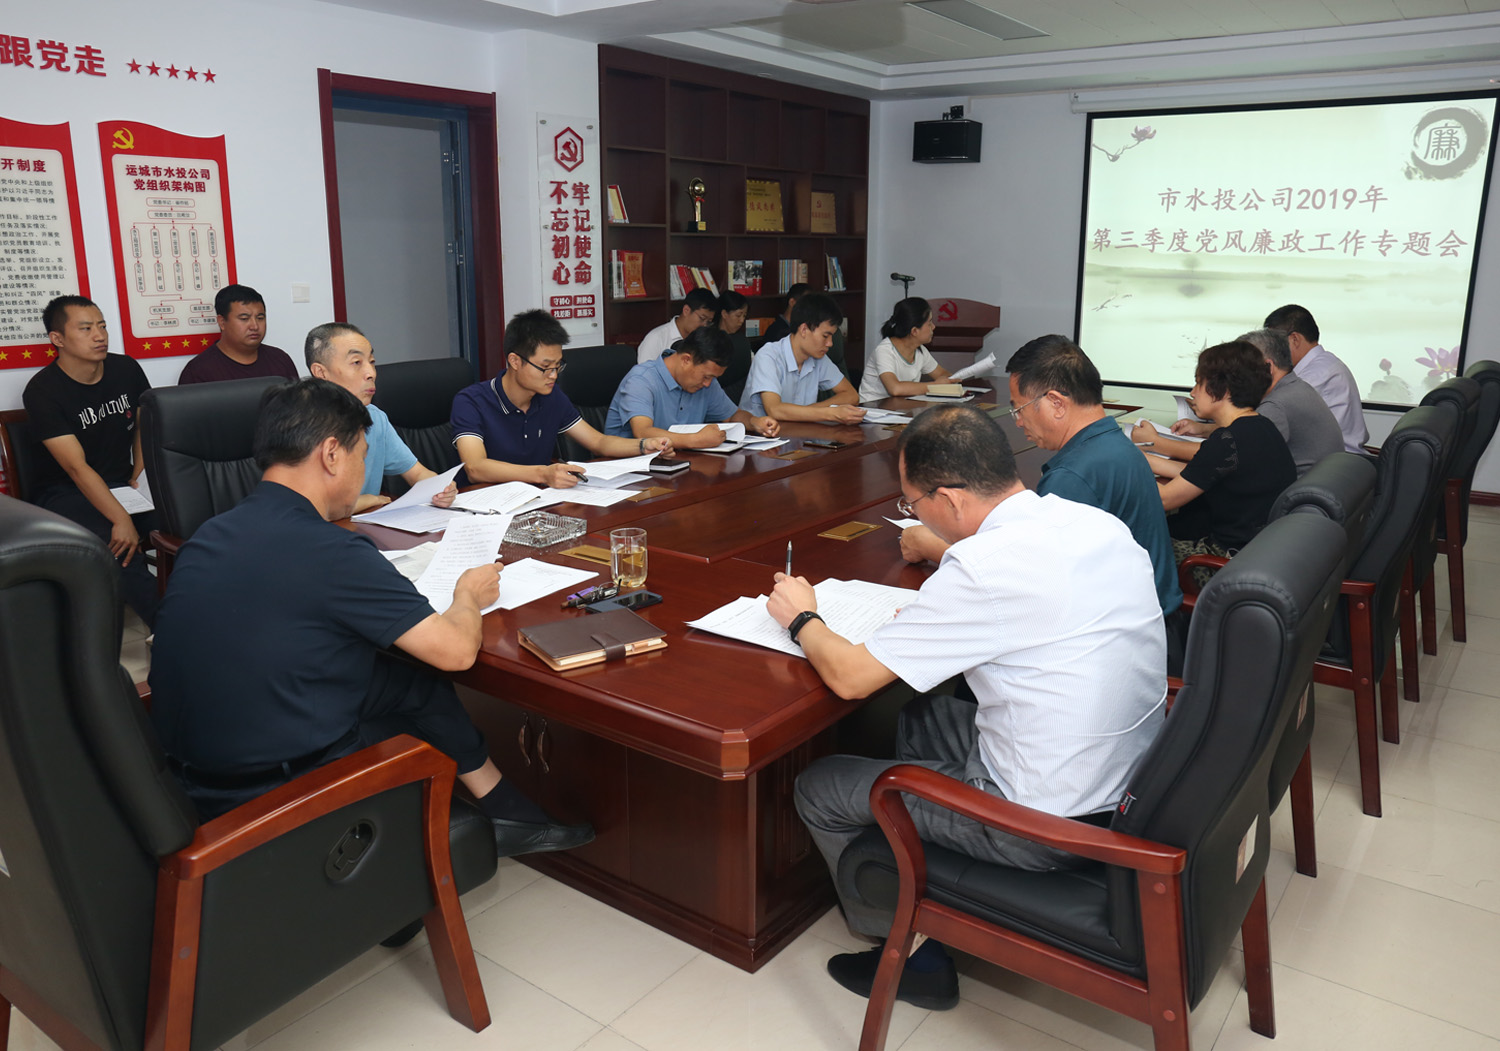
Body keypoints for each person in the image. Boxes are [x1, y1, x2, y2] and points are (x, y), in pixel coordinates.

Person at [771, 405, 1166, 1009]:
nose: (914, 514)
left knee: (820, 786)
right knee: (920, 715)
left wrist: (802, 617)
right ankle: (922, 871)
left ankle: (907, 958)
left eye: (912, 503)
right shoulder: (1093, 525)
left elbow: (850, 678)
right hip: (1130, 781)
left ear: (950, 500)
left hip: (1045, 824)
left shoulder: (984, 567)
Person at [147, 378, 594, 855]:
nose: (364, 475)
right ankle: (446, 829)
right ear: (331, 454)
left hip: (189, 779)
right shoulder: (332, 550)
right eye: (362, 457)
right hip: (277, 789)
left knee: (407, 679)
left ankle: (507, 811)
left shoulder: (208, 535)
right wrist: (467, 595)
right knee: (425, 671)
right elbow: (457, 653)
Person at [900, 336, 1183, 659]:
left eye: (1019, 408)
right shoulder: (1115, 444)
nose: (1018, 421)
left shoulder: (1073, 477)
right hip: (1155, 624)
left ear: (1056, 403)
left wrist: (930, 545)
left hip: (1126, 645)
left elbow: (1021, 584)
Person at [22, 295, 158, 627]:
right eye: (85, 329)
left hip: (121, 483)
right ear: (57, 339)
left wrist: (139, 474)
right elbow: (76, 468)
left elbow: (144, 425)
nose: (99, 336)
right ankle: (173, 629)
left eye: (102, 326)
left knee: (187, 524)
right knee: (119, 545)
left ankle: (200, 609)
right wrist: (120, 518)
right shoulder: (42, 391)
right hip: (64, 493)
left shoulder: (125, 368)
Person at [452, 309, 671, 487]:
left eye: (558, 366)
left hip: (538, 500)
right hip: (483, 505)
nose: (554, 375)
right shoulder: (471, 401)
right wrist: (543, 474)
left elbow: (598, 442)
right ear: (515, 361)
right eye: (545, 367)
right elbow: (475, 468)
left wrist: (644, 446)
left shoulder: (551, 396)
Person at [1136, 341, 1296, 583]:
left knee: (1133, 541)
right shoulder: (1260, 426)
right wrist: (1144, 458)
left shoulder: (1228, 440)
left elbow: (1164, 498)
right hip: (1259, 554)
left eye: (1199, 383)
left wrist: (1127, 467)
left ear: (1224, 390)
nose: (1193, 392)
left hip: (1223, 562)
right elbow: (1200, 472)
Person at [303, 322, 458, 514]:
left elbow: (417, 473)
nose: (371, 373)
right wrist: (368, 500)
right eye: (356, 362)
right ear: (321, 373)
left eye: (372, 362)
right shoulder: (300, 425)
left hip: (365, 524)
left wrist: (440, 488)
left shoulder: (375, 418)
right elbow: (311, 507)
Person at [1166, 328, 1343, 478]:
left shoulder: (1277, 404)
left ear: (1267, 367)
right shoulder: (1294, 386)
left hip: (1290, 497)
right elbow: (1243, 437)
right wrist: (1204, 429)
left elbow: (1225, 453)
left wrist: (1158, 443)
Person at [604, 325, 779, 449]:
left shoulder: (706, 383)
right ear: (686, 360)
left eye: (713, 378)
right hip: (629, 469)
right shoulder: (642, 380)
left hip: (675, 462)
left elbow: (732, 416)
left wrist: (755, 422)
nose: (708, 383)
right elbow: (643, 432)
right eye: (706, 376)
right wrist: (696, 440)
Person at [738, 293, 865, 423]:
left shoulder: (818, 358)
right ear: (804, 329)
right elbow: (775, 410)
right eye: (825, 336)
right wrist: (830, 413)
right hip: (761, 433)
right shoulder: (768, 356)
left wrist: (809, 411)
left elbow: (851, 395)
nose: (830, 343)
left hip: (799, 430)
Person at [1263, 303, 1368, 452]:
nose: (1271, 352)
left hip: (1333, 460)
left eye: (1274, 344)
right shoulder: (1324, 364)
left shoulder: (1316, 375)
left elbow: (1273, 414)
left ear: (1294, 339)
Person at [178, 284, 300, 385]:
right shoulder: (198, 372)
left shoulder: (280, 360)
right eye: (244, 319)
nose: (255, 326)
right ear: (222, 322)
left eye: (260, 318)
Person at [857, 297, 953, 402]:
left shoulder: (920, 351)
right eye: (929, 323)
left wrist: (948, 380)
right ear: (914, 331)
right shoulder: (884, 351)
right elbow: (895, 389)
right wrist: (935, 386)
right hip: (873, 408)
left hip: (900, 406)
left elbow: (942, 374)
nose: (933, 327)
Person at [635, 288, 717, 364]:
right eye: (702, 318)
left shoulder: (704, 340)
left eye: (709, 322)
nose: (704, 325)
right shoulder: (656, 338)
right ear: (686, 310)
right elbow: (644, 373)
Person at [715, 289, 754, 404]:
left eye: (744, 316)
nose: (741, 320)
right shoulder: (710, 340)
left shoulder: (742, 340)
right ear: (724, 314)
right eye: (738, 315)